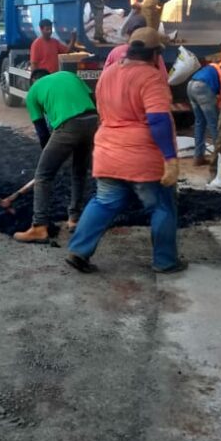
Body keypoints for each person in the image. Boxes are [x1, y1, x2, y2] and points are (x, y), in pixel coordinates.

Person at [67, 28, 184, 274]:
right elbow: (158, 120)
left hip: (107, 153)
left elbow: (103, 111)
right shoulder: (151, 77)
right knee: (162, 206)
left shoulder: (108, 73)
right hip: (141, 158)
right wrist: (170, 158)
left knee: (104, 202)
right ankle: (165, 261)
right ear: (155, 54)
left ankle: (78, 251)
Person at [13, 69, 100, 243]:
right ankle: (74, 219)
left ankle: (39, 226)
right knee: (79, 171)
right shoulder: (68, 75)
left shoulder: (33, 92)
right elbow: (93, 99)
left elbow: (42, 133)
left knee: (43, 175)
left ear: (33, 81)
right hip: (93, 121)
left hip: (68, 126)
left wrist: (54, 156)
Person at [102, 11, 166, 76]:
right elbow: (163, 78)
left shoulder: (115, 52)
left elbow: (103, 80)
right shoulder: (153, 53)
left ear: (128, 33)